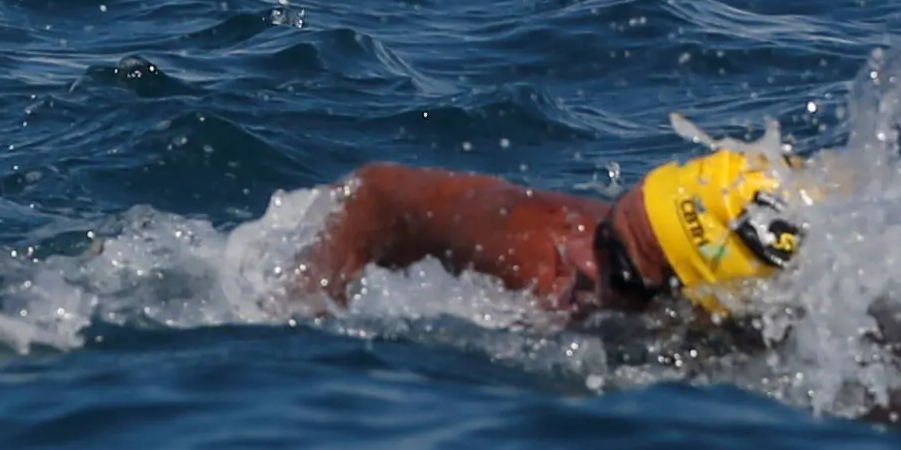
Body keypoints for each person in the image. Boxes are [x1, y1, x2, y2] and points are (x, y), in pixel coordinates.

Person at [288, 141, 805, 325]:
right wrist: (296, 310)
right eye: (606, 234)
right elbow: (374, 195)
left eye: (619, 271)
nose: (580, 261)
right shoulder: (541, 243)